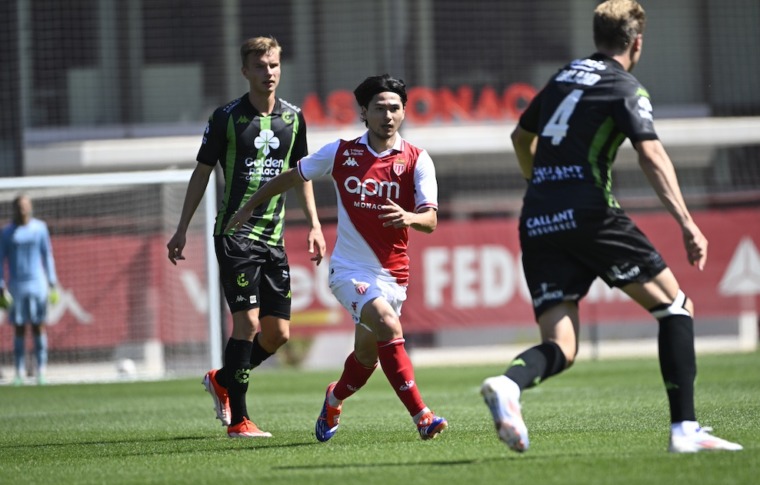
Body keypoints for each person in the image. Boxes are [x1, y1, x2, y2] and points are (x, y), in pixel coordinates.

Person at [481, 0, 743, 454]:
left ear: (597, 36)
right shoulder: (624, 87)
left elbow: (521, 138)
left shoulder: (563, 77)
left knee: (561, 344)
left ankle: (509, 385)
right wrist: (687, 222)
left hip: (538, 216)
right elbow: (651, 154)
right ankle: (685, 431)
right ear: (636, 43)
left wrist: (538, 183)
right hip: (590, 213)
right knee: (675, 307)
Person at [225, 74, 448, 442]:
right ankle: (422, 416)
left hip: (394, 275)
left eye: (394, 108)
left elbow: (431, 220)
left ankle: (334, 398)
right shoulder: (341, 153)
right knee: (389, 326)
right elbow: (293, 176)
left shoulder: (417, 160)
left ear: (404, 112)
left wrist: (409, 217)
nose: (387, 115)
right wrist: (250, 205)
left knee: (367, 357)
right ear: (364, 112)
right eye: (379, 108)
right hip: (349, 271)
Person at [166, 36, 326, 438]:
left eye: (273, 65)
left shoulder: (294, 119)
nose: (268, 73)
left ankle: (222, 379)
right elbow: (202, 172)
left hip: (273, 238)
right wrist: (182, 228)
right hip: (235, 235)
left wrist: (314, 224)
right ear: (245, 71)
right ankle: (239, 419)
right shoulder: (226, 117)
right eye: (259, 66)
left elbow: (302, 174)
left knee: (278, 334)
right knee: (248, 323)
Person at [0, 194, 60, 386]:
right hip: (17, 285)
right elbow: (0, 259)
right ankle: (19, 372)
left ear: (31, 207)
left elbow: (47, 255)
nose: (22, 209)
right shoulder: (7, 232)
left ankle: (41, 370)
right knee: (19, 328)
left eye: (25, 205)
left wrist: (52, 282)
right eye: (19, 206)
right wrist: (1, 285)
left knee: (38, 326)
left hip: (37, 285)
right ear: (14, 209)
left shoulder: (40, 228)